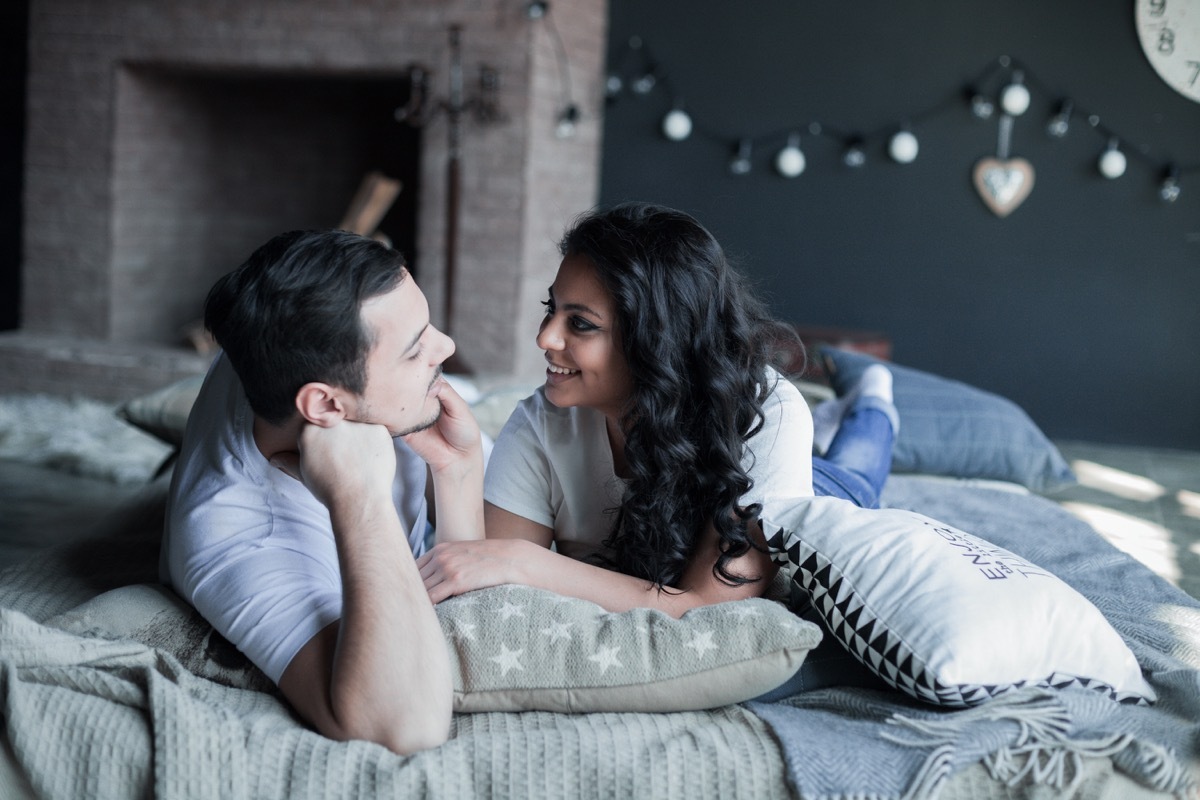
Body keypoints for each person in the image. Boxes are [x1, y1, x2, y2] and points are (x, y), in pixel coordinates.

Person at [417, 202, 898, 621]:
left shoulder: (768, 415)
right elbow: (486, 586)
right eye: (552, 309)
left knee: (859, 472)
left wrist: (525, 561)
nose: (545, 338)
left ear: (656, 341)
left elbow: (713, 606)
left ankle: (874, 400)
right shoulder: (541, 422)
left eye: (580, 324)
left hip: (806, 488)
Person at [160, 229, 485, 754]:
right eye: (415, 350)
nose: (446, 347)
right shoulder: (234, 539)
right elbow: (404, 725)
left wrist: (457, 467)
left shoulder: (287, 339)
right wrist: (360, 500)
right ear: (327, 407)